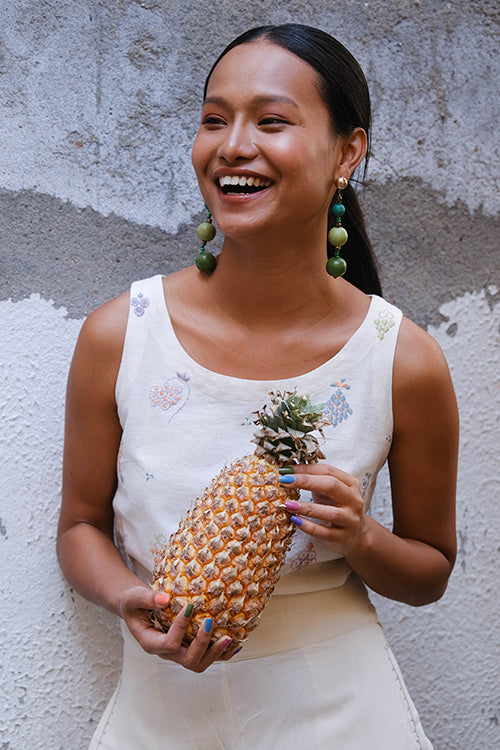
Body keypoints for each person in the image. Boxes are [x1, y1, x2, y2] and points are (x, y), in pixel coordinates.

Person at [57, 23, 458, 749]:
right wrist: (127, 597)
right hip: (161, 716)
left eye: (271, 121)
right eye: (215, 120)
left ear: (348, 153)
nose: (232, 146)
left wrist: (362, 536)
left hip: (342, 719)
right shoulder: (121, 334)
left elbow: (430, 571)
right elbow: (79, 526)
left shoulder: (403, 359)